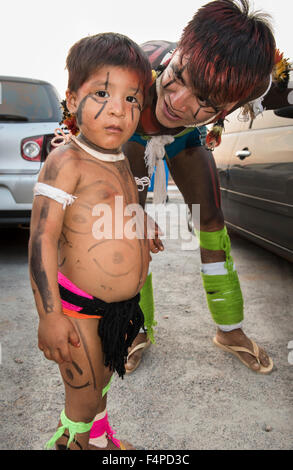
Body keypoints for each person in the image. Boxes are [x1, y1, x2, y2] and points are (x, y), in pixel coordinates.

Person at [119, 0, 292, 375]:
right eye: (178, 76)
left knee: (212, 223)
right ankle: (135, 329)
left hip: (186, 141)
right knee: (130, 225)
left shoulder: (257, 84)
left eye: (205, 101)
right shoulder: (129, 68)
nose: (177, 102)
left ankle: (230, 329)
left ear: (228, 107)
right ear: (179, 51)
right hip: (131, 135)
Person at [28, 32, 163, 450]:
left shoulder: (123, 156)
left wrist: (143, 224)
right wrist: (50, 317)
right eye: (103, 92)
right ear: (71, 100)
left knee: (102, 384)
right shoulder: (66, 161)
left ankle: (101, 442)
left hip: (118, 310)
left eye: (132, 99)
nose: (118, 110)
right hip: (78, 310)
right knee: (81, 404)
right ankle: (75, 442)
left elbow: (120, 206)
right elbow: (42, 240)